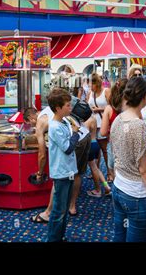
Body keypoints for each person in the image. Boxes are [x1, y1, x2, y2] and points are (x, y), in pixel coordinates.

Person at [110, 76, 146, 242]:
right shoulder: (139, 126)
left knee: (120, 236)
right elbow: (145, 170)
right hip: (137, 194)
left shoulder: (118, 119)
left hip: (119, 186)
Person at [25, 99, 92, 221]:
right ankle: (72, 206)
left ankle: (48, 213)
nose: (31, 125)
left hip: (75, 140)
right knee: (77, 174)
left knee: (59, 178)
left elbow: (42, 154)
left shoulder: (41, 122)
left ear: (31, 118)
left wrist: (39, 173)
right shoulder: (47, 111)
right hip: (85, 135)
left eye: (29, 123)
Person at [46, 89, 80, 242]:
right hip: (61, 172)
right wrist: (75, 134)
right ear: (58, 108)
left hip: (69, 170)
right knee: (59, 210)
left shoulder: (65, 121)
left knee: (64, 209)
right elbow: (67, 148)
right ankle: (53, 239)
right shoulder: (54, 126)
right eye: (67, 105)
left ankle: (60, 236)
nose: (70, 108)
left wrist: (73, 133)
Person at [100, 78, 128, 183]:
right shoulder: (131, 107)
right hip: (128, 144)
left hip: (114, 144)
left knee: (115, 172)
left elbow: (102, 132)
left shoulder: (109, 108)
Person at [87, 73, 112, 181]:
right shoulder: (90, 93)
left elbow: (112, 106)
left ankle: (110, 172)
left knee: (105, 149)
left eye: (91, 84)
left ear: (96, 83)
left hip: (103, 123)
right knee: (95, 150)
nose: (90, 87)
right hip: (93, 125)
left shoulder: (106, 91)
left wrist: (100, 109)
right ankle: (96, 172)